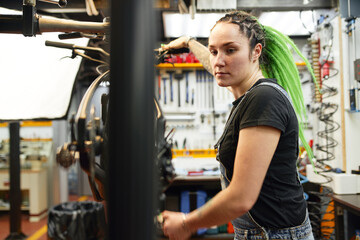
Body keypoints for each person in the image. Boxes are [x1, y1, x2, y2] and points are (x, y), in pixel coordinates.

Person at [160, 11, 316, 240]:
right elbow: (216, 66)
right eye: (214, 51)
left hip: (274, 235)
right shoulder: (251, 93)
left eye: (230, 50)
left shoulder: (263, 98)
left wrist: (186, 222)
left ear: (256, 52)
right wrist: (189, 42)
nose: (218, 61)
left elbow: (241, 197)